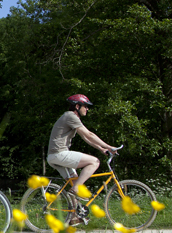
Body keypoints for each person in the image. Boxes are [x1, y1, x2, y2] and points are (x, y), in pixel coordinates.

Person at [47, 94, 118, 225]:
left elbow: (86, 138)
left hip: (54, 156)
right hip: (60, 154)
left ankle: (73, 217)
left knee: (74, 181)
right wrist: (109, 146)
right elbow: (89, 134)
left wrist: (101, 149)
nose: (87, 109)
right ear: (77, 106)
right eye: (85, 106)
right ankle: (76, 190)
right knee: (94, 162)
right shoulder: (71, 116)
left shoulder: (70, 118)